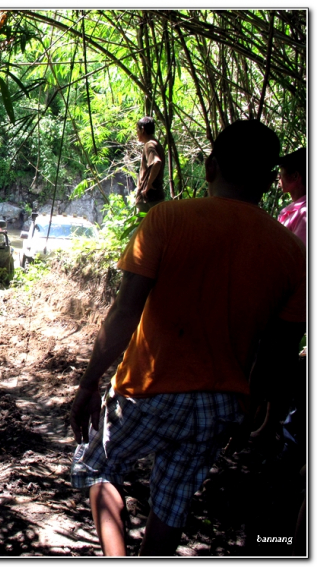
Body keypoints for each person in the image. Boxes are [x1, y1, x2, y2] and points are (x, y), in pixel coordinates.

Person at [68, 120, 306, 556]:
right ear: (271, 179)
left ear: (211, 167)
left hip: (148, 390)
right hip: (220, 405)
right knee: (172, 503)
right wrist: (260, 409)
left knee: (100, 464)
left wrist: (88, 383)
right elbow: (280, 349)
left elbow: (125, 313)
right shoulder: (291, 252)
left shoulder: (168, 219)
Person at [135, 116, 165, 213]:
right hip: (155, 197)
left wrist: (148, 185)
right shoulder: (156, 144)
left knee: (141, 227)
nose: (137, 133)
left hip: (148, 198)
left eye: (137, 130)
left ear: (143, 130)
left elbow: (157, 162)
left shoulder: (149, 145)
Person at [277, 147, 307, 245]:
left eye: (282, 171)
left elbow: (299, 254)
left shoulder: (305, 212)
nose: (279, 176)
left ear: (295, 176)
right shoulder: (295, 209)